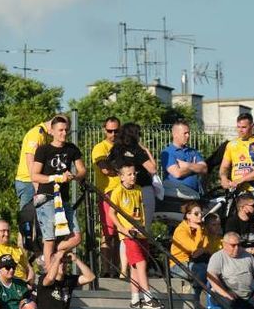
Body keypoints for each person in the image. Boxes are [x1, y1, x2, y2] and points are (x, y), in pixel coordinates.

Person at [30, 115, 85, 271]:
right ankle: (49, 271)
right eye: (60, 130)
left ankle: (52, 255)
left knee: (76, 237)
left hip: (63, 199)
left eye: (66, 130)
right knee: (49, 238)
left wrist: (73, 176)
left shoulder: (71, 149)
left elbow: (82, 170)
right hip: (47, 197)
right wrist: (55, 178)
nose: (64, 133)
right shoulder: (43, 150)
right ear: (52, 131)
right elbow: (34, 175)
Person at [107, 164, 163, 309]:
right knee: (141, 263)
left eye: (134, 174)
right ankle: (148, 297)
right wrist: (122, 229)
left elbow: (140, 210)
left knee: (134, 267)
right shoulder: (118, 192)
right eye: (129, 174)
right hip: (129, 235)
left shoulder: (138, 189)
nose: (133, 177)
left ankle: (135, 298)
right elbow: (111, 213)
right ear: (122, 176)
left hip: (140, 232)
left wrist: (144, 228)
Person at [219, 112, 254, 222]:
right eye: (238, 127)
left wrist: (241, 180)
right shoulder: (231, 145)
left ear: (251, 127)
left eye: (244, 127)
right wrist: (224, 178)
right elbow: (224, 167)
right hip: (238, 192)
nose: (240, 130)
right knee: (237, 224)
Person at [107, 123, 160, 229]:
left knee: (126, 225)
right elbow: (153, 168)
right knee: (144, 226)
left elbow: (110, 166)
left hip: (123, 190)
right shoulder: (136, 150)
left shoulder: (116, 149)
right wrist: (147, 151)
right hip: (141, 188)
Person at [207, 231, 254, 309]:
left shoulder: (247, 255)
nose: (237, 248)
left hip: (248, 295)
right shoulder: (218, 257)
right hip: (227, 294)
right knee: (228, 302)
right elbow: (211, 276)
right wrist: (225, 293)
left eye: (239, 244)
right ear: (224, 244)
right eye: (233, 245)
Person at [14, 117, 55, 236]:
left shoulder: (45, 135)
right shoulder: (37, 134)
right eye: (61, 130)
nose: (63, 133)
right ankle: (23, 253)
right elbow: (30, 160)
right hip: (28, 182)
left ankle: (37, 252)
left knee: (38, 222)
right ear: (53, 126)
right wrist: (36, 185)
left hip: (34, 182)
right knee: (27, 222)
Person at [91, 117, 121, 275]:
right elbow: (105, 169)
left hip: (124, 194)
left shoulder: (124, 147)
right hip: (108, 194)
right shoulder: (100, 148)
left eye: (116, 130)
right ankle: (106, 269)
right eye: (110, 131)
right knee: (108, 233)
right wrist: (123, 171)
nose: (113, 134)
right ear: (104, 130)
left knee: (122, 234)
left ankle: (121, 270)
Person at [170, 200, 213, 285]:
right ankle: (196, 295)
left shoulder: (202, 229)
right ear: (188, 215)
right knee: (203, 269)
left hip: (196, 261)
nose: (200, 215)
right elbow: (194, 248)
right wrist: (199, 230)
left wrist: (202, 250)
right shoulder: (181, 230)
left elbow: (206, 248)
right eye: (196, 214)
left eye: (201, 213)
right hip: (179, 265)